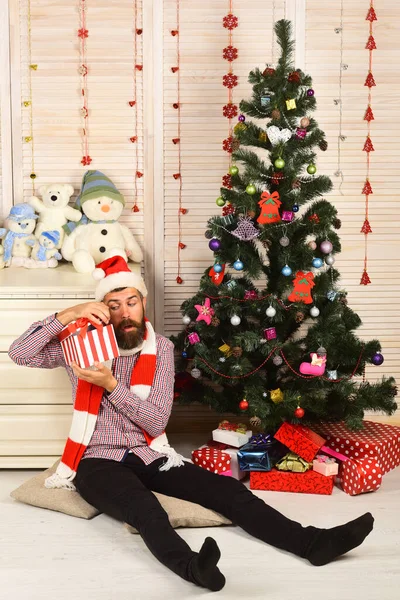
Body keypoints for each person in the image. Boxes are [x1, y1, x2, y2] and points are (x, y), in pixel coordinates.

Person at [8, 256, 374, 592]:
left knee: (230, 492)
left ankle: (312, 543)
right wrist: (68, 314)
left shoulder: (161, 350)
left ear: (143, 302)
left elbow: (155, 420)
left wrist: (111, 385)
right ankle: (191, 567)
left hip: (151, 452)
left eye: (131, 302)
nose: (124, 313)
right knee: (145, 508)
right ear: (103, 310)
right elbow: (20, 352)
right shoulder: (79, 346)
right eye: (113, 305)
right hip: (97, 459)